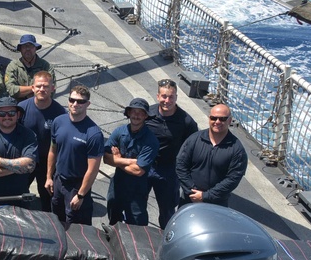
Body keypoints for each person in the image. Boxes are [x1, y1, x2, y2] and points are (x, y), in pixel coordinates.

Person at [45, 85, 104, 225]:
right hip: (58, 181)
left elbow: (93, 169)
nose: (75, 104)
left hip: (76, 186)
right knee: (57, 220)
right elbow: (53, 150)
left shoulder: (94, 134)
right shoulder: (58, 122)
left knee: (76, 227)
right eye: (72, 100)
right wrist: (49, 177)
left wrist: (81, 195)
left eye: (81, 101)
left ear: (87, 104)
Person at [145, 79, 199, 228]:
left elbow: (194, 148)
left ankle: (166, 239)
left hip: (169, 172)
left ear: (176, 97)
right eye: (164, 96)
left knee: (167, 211)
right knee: (136, 205)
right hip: (146, 167)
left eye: (171, 97)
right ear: (158, 96)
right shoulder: (148, 114)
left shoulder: (186, 122)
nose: (167, 100)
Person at [177, 103, 249, 207]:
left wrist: (206, 196)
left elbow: (233, 179)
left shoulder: (237, 149)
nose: (217, 122)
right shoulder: (194, 139)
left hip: (217, 203)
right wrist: (193, 192)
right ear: (209, 118)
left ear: (229, 120)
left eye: (222, 119)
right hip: (190, 198)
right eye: (214, 118)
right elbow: (181, 165)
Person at [104, 97, 159, 226]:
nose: (136, 115)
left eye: (140, 113)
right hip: (117, 184)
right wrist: (130, 161)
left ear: (146, 116)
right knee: (113, 218)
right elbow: (106, 158)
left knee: (137, 224)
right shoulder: (119, 132)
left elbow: (138, 170)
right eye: (134, 111)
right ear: (128, 113)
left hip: (137, 189)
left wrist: (117, 160)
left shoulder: (151, 141)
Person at [19, 71, 66, 211]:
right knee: (19, 194)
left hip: (48, 163)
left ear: (53, 88)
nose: (42, 89)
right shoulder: (21, 108)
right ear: (32, 88)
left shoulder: (60, 113)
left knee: (47, 197)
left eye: (45, 86)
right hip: (25, 160)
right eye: (38, 86)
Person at [4, 34, 56, 101]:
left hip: (40, 105)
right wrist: (35, 88)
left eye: (31, 46)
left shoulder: (46, 66)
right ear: (20, 49)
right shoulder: (13, 66)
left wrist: (24, 92)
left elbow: (51, 90)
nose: (28, 49)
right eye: (25, 46)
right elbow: (11, 90)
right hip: (18, 106)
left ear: (35, 48)